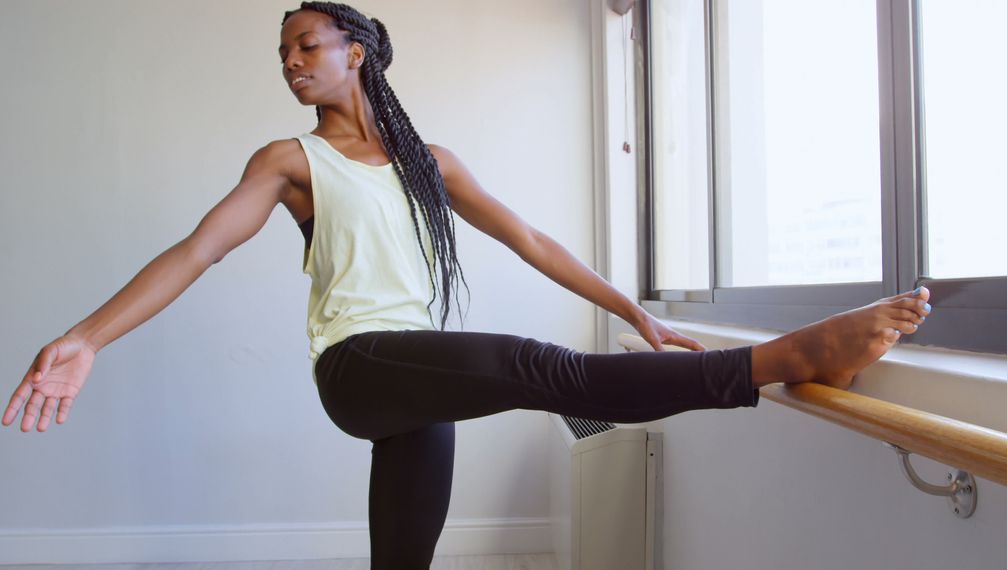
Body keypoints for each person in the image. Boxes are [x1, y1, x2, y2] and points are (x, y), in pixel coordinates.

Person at [2, 2, 931, 568]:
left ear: (355, 51)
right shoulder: (289, 162)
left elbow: (529, 238)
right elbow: (197, 250)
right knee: (542, 369)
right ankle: (778, 359)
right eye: (282, 52)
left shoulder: (429, 162)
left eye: (306, 44)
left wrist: (634, 311)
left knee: (406, 559)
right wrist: (86, 336)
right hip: (361, 369)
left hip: (419, 382)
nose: (290, 62)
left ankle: (766, 357)